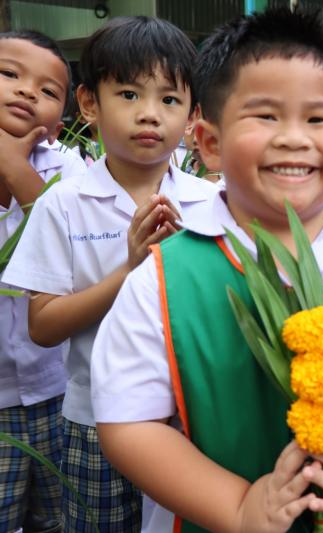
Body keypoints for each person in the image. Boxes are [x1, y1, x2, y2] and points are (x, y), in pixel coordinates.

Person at [88, 8, 323, 532]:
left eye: (316, 119)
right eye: (265, 116)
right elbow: (129, 423)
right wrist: (237, 506)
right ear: (209, 143)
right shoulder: (164, 279)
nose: (294, 137)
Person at [2, 16, 218, 532]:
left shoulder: (213, 202)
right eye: (128, 94)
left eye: (170, 99)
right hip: (96, 418)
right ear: (89, 104)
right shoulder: (64, 203)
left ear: (193, 117)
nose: (149, 113)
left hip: (190, 418)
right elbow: (43, 325)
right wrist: (130, 269)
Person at [0, 30, 86, 533]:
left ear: (60, 121)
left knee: (59, 519)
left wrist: (14, 166)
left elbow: (71, 252)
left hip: (56, 391)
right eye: (8, 74)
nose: (27, 91)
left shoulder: (69, 169)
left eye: (48, 90)